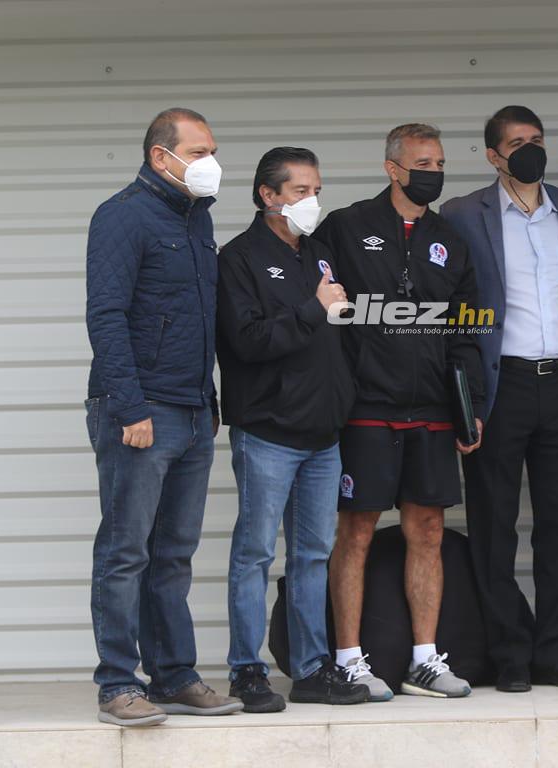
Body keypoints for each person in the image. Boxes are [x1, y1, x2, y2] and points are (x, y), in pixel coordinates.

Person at [313, 123, 485, 700]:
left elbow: (466, 329)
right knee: (356, 532)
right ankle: (347, 661)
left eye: (439, 162)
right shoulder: (346, 225)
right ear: (393, 168)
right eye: (422, 162)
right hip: (365, 408)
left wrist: (471, 408)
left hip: (433, 411)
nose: (433, 171)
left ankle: (423, 661)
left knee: (428, 531)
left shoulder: (449, 238)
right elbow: (325, 313)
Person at [85, 108, 242, 726]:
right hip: (141, 411)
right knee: (127, 551)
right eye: (199, 151)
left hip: (192, 410)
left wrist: (208, 408)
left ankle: (173, 675)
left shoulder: (196, 218)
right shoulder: (123, 215)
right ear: (161, 157)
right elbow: (107, 316)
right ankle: (117, 684)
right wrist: (130, 407)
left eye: (212, 150)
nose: (210, 162)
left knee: (173, 553)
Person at [440, 106, 558, 693]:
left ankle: (553, 655)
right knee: (493, 525)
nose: (529, 150)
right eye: (516, 143)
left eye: (536, 140)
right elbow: (453, 306)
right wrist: (460, 395)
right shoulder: (462, 214)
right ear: (492, 155)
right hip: (498, 384)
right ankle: (510, 654)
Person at [217, 147, 369, 710]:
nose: (312, 201)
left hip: (323, 435)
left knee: (312, 555)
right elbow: (246, 340)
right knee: (254, 554)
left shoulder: (320, 254)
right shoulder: (237, 259)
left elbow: (341, 334)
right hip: (268, 432)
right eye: (301, 191)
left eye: (316, 190)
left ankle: (310, 669)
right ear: (268, 195)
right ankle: (246, 670)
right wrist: (312, 307)